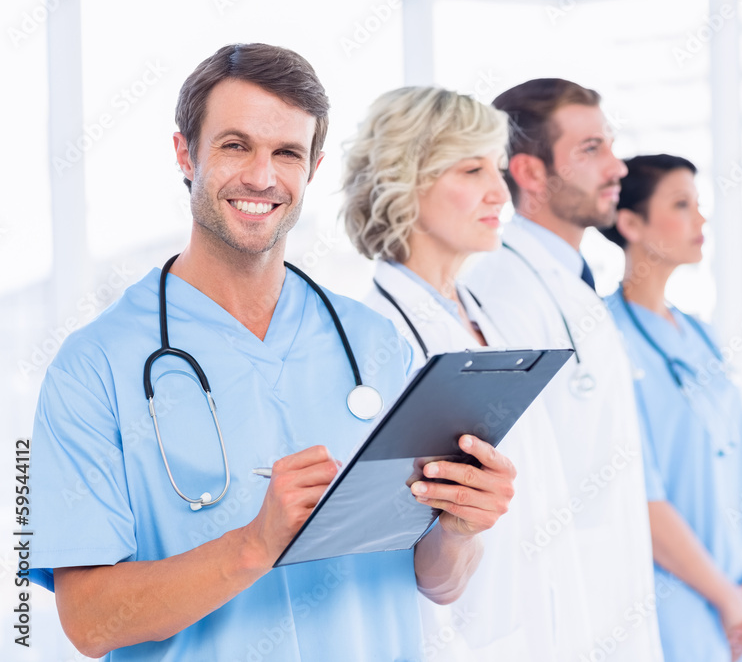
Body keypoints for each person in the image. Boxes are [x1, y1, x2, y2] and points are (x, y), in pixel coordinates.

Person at [27, 43, 514, 661]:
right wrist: (253, 545)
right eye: (236, 145)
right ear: (185, 153)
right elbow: (89, 623)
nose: (262, 177)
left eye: (287, 152)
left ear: (312, 166)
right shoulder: (94, 366)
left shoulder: (374, 343)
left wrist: (459, 526)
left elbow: (435, 580)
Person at [342, 86, 592, 660]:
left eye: (498, 169)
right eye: (472, 169)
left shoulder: (488, 318)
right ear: (405, 181)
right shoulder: (377, 340)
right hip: (458, 638)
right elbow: (395, 542)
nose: (500, 192)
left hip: (537, 627)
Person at [463, 78, 664, 661]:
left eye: (610, 145)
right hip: (558, 617)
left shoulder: (570, 282)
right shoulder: (501, 287)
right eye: (591, 149)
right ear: (528, 173)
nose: (618, 166)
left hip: (608, 594)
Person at [599, 154, 742, 661]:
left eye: (699, 205)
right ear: (630, 223)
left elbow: (732, 463)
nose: (700, 220)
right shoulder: (607, 338)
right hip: (676, 597)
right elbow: (640, 495)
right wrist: (726, 598)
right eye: (682, 205)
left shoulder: (700, 334)